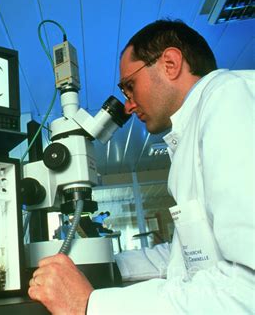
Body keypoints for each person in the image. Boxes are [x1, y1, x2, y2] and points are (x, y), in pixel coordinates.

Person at [28, 19, 254, 314]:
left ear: (170, 63)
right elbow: (185, 260)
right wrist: (109, 264)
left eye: (129, 86)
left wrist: (90, 304)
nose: (129, 105)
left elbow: (247, 288)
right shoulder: (193, 131)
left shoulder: (230, 98)